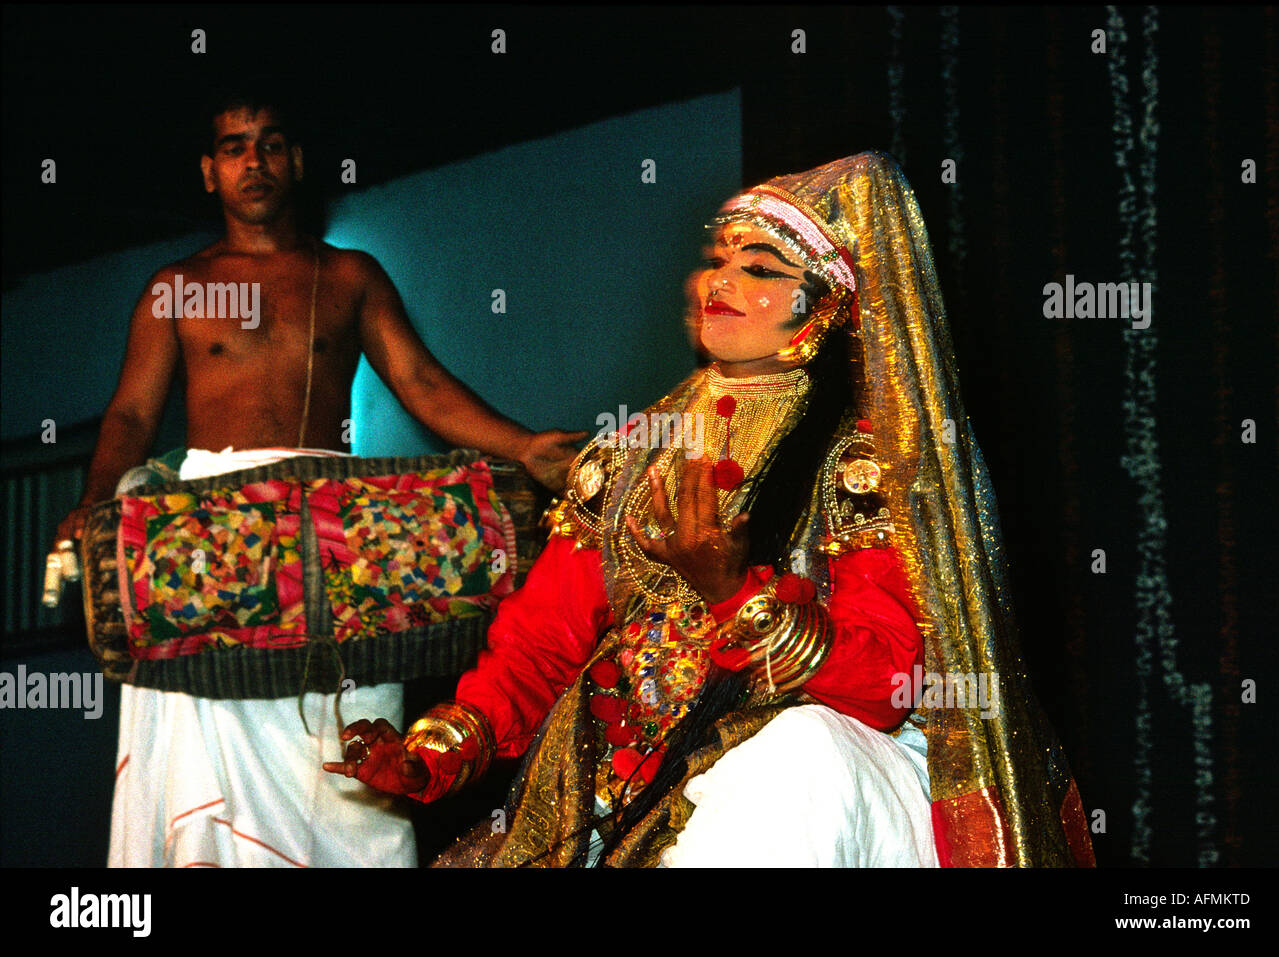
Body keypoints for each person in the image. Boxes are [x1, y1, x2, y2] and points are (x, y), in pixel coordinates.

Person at [328, 151, 1096, 867]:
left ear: (825, 310)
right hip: (613, 785)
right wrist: (434, 751)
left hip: (810, 784)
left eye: (758, 266)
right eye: (719, 258)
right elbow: (541, 643)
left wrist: (737, 598)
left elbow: (887, 678)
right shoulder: (635, 454)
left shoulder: (865, 466)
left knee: (794, 760)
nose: (719, 279)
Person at [59, 91, 584, 868]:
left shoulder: (349, 276)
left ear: (297, 161)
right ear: (210, 172)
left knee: (348, 767)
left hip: (340, 541)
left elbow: (424, 384)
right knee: (212, 781)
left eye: (271, 144)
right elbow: (131, 417)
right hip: (209, 546)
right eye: (235, 147)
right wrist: (95, 505)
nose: (254, 161)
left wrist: (526, 445)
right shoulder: (176, 287)